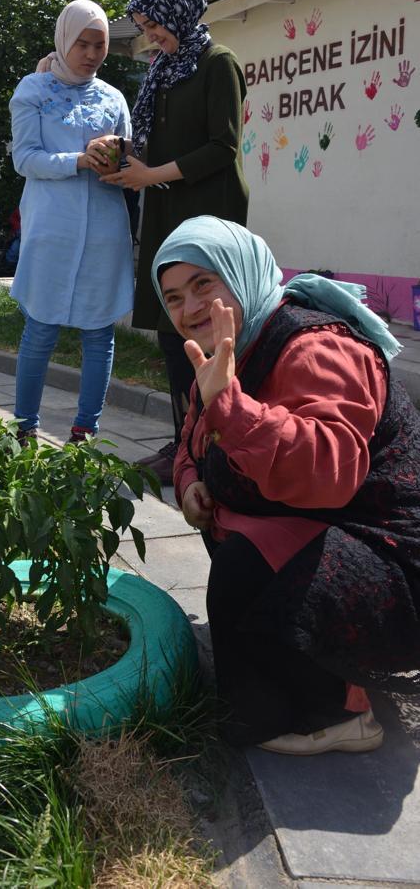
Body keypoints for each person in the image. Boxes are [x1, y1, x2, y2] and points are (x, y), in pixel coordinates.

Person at [152, 215, 420, 754]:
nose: (190, 308)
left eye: (204, 283)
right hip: (329, 528)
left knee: (247, 566)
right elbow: (191, 437)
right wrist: (189, 481)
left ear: (241, 272)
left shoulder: (316, 348)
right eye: (174, 297)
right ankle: (294, 670)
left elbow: (329, 472)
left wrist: (231, 406)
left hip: (393, 558)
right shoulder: (231, 346)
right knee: (239, 542)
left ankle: (339, 710)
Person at [101, 0, 249, 483]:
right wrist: (120, 153)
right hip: (168, 213)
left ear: (178, 12)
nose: (149, 37)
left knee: (210, 333)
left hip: (206, 216)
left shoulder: (217, 63)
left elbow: (222, 147)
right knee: (172, 333)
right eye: (143, 28)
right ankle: (186, 443)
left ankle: (219, 448)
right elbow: (154, 142)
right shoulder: (164, 70)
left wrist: (149, 175)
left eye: (153, 25)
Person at [9, 0, 134, 443]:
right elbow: (25, 159)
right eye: (82, 44)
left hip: (104, 229)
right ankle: (24, 429)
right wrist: (78, 159)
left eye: (100, 45)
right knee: (40, 328)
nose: (92, 54)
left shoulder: (113, 98)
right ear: (64, 40)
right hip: (52, 228)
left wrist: (120, 156)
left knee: (99, 333)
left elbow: (131, 159)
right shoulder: (33, 91)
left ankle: (85, 434)